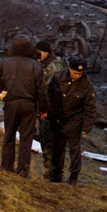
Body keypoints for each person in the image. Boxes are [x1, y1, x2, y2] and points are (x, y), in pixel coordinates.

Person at [0, 34, 49, 178]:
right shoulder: (36, 66)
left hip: (11, 104)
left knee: (9, 136)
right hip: (29, 106)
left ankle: (6, 167)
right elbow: (42, 92)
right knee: (26, 139)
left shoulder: (4, 63)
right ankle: (23, 170)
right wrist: (43, 109)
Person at [47, 55, 96, 186]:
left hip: (75, 122)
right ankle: (55, 176)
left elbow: (90, 107)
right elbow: (49, 96)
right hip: (57, 120)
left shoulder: (87, 85)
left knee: (74, 151)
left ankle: (73, 177)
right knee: (57, 149)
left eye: (80, 73)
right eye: (75, 73)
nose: (77, 76)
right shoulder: (57, 77)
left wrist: (87, 127)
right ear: (69, 69)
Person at [34, 40, 65, 178]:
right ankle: (50, 170)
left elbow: (49, 90)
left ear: (46, 52)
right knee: (45, 140)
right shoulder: (46, 64)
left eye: (38, 52)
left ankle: (52, 172)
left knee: (49, 141)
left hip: (51, 110)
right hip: (46, 108)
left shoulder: (53, 66)